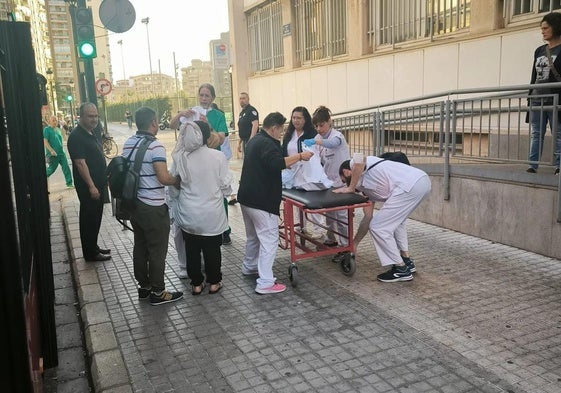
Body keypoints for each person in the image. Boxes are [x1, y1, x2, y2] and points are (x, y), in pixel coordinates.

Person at [238, 112, 314, 294]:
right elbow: (276, 163)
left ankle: (249, 266)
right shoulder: (266, 143)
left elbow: (270, 163)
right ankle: (265, 282)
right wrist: (300, 156)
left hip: (247, 198)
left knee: (254, 237)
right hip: (261, 200)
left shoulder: (255, 140)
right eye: (281, 130)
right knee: (270, 239)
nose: (281, 134)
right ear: (274, 128)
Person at [335, 155, 431, 282]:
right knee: (397, 222)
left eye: (343, 181)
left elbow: (359, 160)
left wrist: (350, 187)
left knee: (378, 227)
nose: (344, 184)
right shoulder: (367, 187)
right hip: (420, 183)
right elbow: (368, 217)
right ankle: (406, 260)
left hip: (410, 185)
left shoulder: (356, 163)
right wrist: (355, 243)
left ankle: (400, 269)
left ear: (346, 172)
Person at [122, 106, 183, 305]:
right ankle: (158, 292)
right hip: (153, 207)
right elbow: (164, 177)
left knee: (140, 246)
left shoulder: (128, 142)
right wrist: (177, 180)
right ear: (154, 123)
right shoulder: (155, 146)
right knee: (157, 250)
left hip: (134, 205)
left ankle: (144, 287)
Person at [170, 120, 232, 295]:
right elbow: (225, 186)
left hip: (189, 213)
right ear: (207, 136)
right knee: (212, 248)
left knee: (192, 249)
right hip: (212, 213)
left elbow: (174, 187)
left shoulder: (181, 158)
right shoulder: (217, 156)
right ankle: (214, 282)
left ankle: (196, 284)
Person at [170, 83, 233, 245]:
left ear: (212, 98)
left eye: (207, 96)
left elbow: (221, 137)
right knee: (193, 189)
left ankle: (224, 229)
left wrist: (208, 125)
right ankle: (191, 224)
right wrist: (180, 114)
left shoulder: (218, 115)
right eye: (202, 95)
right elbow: (172, 125)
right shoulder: (191, 112)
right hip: (191, 159)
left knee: (216, 192)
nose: (204, 99)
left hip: (211, 158)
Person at [67, 103, 110, 262]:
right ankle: (90, 253)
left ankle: (93, 246)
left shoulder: (89, 133)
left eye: (96, 116)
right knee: (89, 218)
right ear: (81, 116)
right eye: (90, 116)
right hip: (88, 186)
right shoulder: (77, 136)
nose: (94, 119)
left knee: (96, 216)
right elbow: (80, 163)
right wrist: (91, 186)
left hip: (97, 183)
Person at [304, 106, 350, 247]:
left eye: (321, 125)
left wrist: (316, 141)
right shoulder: (318, 137)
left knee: (342, 217)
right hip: (329, 183)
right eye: (316, 126)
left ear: (329, 122)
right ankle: (331, 239)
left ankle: (346, 246)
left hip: (342, 183)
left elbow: (332, 144)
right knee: (330, 216)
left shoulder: (337, 136)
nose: (319, 128)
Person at [527, 12, 561, 175]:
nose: (543, 31)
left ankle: (559, 166)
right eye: (541, 28)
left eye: (546, 28)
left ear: (556, 27)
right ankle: (532, 165)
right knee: (536, 134)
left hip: (556, 100)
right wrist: (530, 95)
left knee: (559, 134)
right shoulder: (539, 50)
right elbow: (533, 76)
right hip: (537, 99)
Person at [281, 106, 322, 237]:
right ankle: (301, 226)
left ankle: (318, 229)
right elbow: (283, 151)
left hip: (308, 173)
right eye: (293, 117)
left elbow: (317, 154)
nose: (296, 120)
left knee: (312, 200)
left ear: (305, 120)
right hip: (293, 172)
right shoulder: (289, 135)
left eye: (299, 118)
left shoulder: (312, 135)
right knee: (296, 202)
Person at [43, 115, 73, 188]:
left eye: (56, 120)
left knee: (66, 167)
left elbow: (62, 140)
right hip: (52, 154)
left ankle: (69, 184)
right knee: (51, 170)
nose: (55, 122)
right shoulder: (47, 130)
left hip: (61, 153)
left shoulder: (58, 130)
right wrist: (51, 150)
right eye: (53, 120)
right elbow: (45, 142)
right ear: (49, 121)